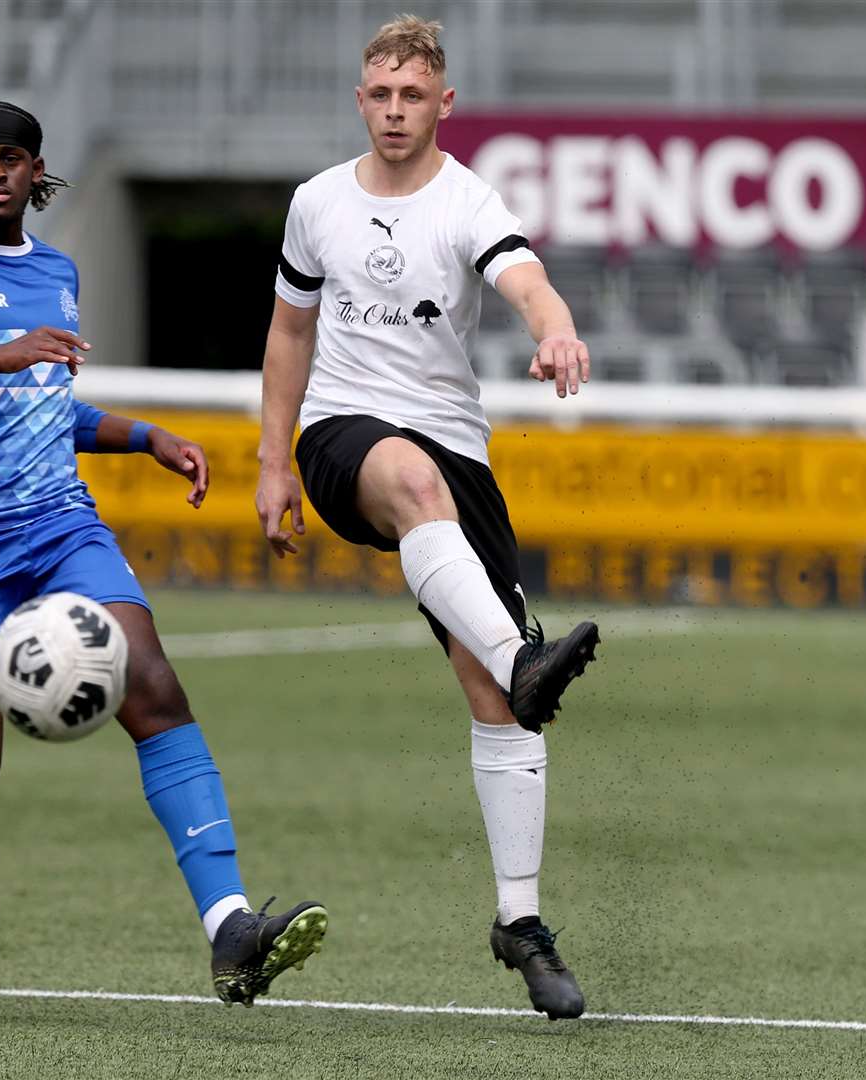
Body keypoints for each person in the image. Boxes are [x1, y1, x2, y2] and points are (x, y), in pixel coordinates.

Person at [0, 100, 326, 1017]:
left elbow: (37, 408)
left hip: (60, 525)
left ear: (35, 172)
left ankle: (229, 927)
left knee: (154, 685)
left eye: (12, 158)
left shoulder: (57, 272)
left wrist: (142, 435)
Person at [254, 17, 598, 1021]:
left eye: (413, 96)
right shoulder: (316, 202)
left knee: (497, 702)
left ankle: (520, 921)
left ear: (442, 104)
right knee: (407, 482)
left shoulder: (467, 201)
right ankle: (519, 654)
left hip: (458, 456)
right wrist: (273, 461)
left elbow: (522, 278)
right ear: (360, 99)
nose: (395, 110)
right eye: (380, 94)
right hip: (344, 440)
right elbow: (287, 330)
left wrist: (559, 328)